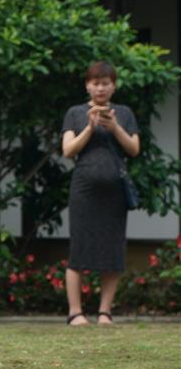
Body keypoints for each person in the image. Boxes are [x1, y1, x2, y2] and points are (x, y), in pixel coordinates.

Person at [61, 61, 139, 326]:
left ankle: (105, 312)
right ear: (87, 85)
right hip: (84, 190)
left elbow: (134, 149)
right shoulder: (75, 113)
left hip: (114, 193)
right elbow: (68, 150)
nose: (100, 88)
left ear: (113, 86)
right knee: (78, 248)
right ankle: (75, 312)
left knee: (113, 250)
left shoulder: (124, 113)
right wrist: (90, 127)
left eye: (106, 83)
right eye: (95, 83)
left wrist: (114, 126)